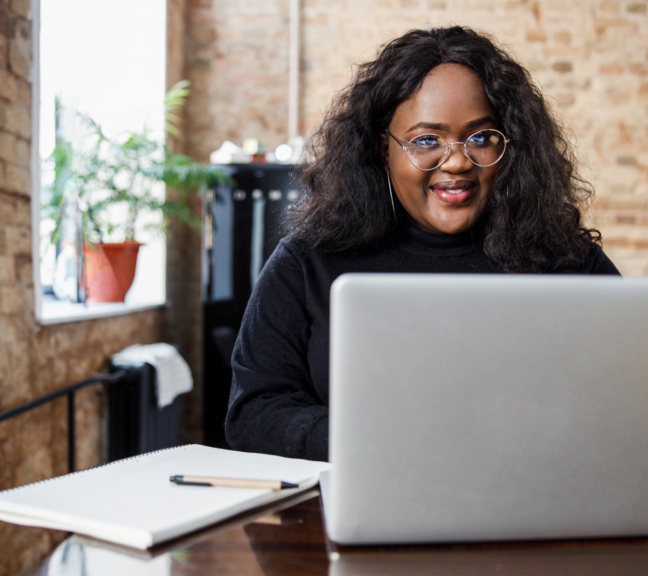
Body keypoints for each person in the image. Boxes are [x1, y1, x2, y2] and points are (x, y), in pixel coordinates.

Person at [225, 26, 620, 462]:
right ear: (383, 150)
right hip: (359, 505)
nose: (456, 161)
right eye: (426, 140)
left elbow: (634, 396)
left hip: (537, 504)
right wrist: (373, 441)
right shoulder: (309, 261)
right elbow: (254, 413)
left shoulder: (567, 261)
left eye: (481, 137)